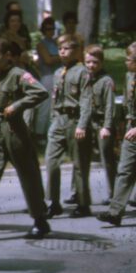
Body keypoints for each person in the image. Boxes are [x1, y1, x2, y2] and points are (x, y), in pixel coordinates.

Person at [0, 39, 51, 238]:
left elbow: (41, 92)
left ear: (7, 55)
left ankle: (39, 219)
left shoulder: (18, 75)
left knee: (28, 176)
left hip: (15, 132)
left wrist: (18, 106)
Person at [45, 34, 92, 217]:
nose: (62, 52)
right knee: (51, 162)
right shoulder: (58, 72)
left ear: (77, 51)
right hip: (59, 120)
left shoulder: (82, 72)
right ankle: (53, 201)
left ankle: (83, 203)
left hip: (75, 120)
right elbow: (54, 98)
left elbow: (86, 100)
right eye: (60, 49)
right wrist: (53, 118)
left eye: (67, 49)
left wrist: (82, 125)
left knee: (79, 164)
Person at [98, 42, 136, 226]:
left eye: (128, 60)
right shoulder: (129, 76)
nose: (125, 63)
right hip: (131, 128)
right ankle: (115, 212)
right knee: (125, 170)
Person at [83, 45, 117, 203]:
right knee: (81, 158)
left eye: (95, 62)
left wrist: (107, 126)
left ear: (102, 62)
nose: (91, 65)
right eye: (88, 62)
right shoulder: (85, 78)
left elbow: (110, 105)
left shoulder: (106, 81)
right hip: (88, 123)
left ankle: (114, 193)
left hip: (102, 123)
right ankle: (79, 193)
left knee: (107, 159)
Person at [34, 17, 61, 139]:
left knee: (56, 105)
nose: (50, 31)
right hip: (47, 76)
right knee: (45, 105)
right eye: (48, 29)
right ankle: (39, 133)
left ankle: (53, 132)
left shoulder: (57, 43)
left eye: (52, 29)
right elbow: (48, 60)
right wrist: (61, 56)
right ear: (43, 30)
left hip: (58, 75)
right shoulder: (41, 44)